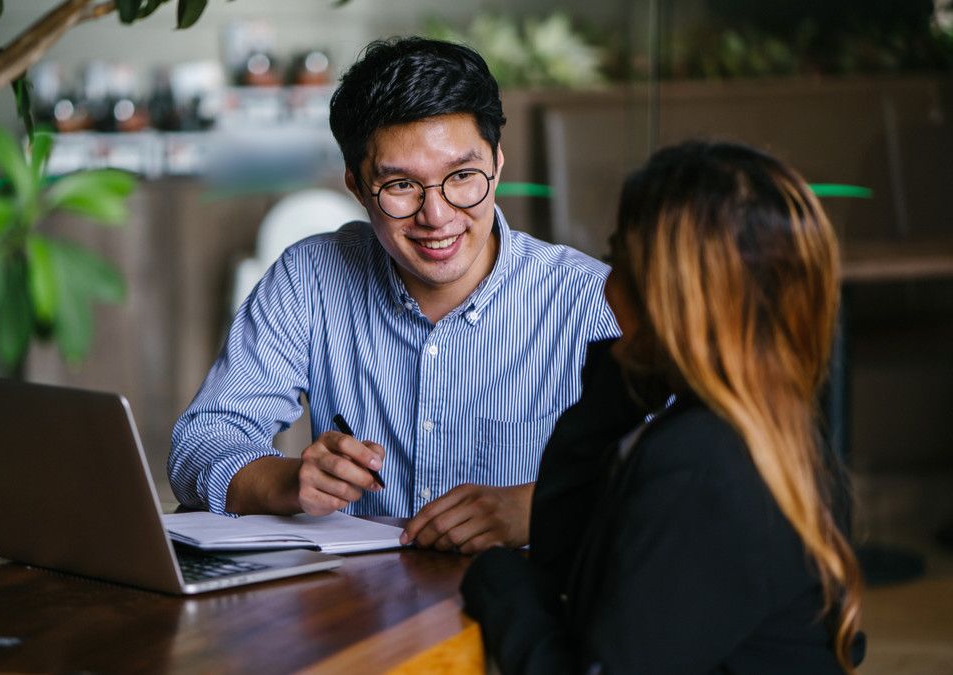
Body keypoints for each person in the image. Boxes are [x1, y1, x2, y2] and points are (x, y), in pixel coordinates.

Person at [168, 37, 617, 552]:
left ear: (496, 164)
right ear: (357, 188)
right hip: (357, 604)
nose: (437, 215)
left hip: (527, 604)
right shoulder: (310, 277)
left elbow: (682, 467)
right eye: (401, 186)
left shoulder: (589, 299)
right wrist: (290, 482)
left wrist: (541, 509)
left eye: (462, 176)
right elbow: (200, 444)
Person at [461, 140, 866, 673]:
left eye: (617, 260)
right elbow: (571, 572)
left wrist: (493, 576)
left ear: (667, 294)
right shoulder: (770, 430)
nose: (605, 290)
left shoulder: (699, 462)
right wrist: (626, 375)